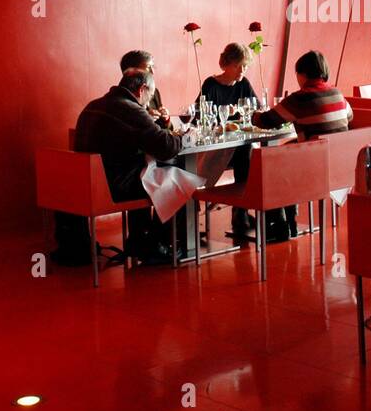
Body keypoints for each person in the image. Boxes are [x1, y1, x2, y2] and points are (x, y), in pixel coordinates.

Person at [55, 67, 184, 268]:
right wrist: (181, 137)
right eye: (150, 95)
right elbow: (166, 148)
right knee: (176, 179)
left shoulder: (94, 105)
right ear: (142, 90)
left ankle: (140, 239)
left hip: (81, 185)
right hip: (111, 188)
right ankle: (154, 246)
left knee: (150, 172)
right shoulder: (130, 110)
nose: (149, 101)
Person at [252, 50, 352, 240]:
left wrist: (251, 115)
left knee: (270, 161)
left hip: (313, 168)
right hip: (341, 167)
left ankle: (279, 223)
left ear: (302, 74)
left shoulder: (299, 98)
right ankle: (291, 221)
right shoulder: (338, 94)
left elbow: (266, 121)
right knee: (285, 153)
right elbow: (349, 117)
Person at [199, 43, 258, 241]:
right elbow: (202, 116)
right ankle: (240, 212)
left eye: (245, 66)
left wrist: (242, 113)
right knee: (246, 152)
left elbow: (256, 110)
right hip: (217, 149)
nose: (242, 70)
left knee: (247, 150)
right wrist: (227, 114)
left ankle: (240, 211)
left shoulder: (244, 84)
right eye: (238, 65)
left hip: (238, 147)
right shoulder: (211, 84)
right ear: (227, 64)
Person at [120, 50, 173, 127]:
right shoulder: (121, 98)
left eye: (153, 67)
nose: (153, 72)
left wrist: (166, 119)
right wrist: (145, 119)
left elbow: (166, 130)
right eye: (148, 67)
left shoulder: (154, 92)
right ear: (133, 71)